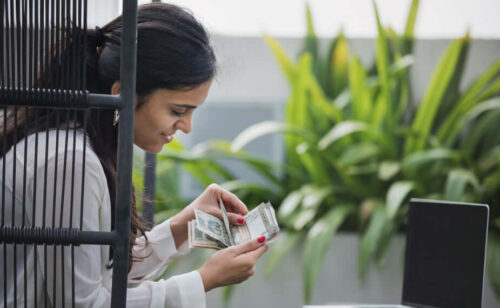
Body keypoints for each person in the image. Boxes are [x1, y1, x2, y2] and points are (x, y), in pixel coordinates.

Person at [0, 2, 268, 307]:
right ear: (121, 92)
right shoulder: (70, 162)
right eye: (177, 110)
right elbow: (82, 303)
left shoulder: (76, 147)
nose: (187, 127)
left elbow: (103, 278)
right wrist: (203, 280)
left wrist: (183, 226)